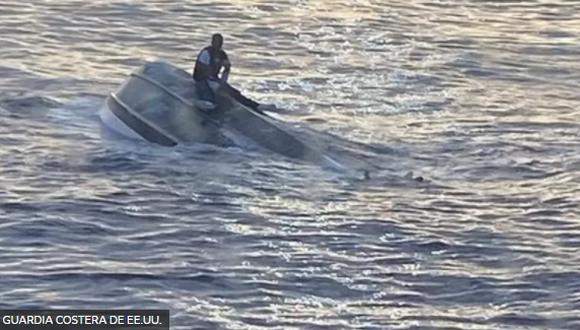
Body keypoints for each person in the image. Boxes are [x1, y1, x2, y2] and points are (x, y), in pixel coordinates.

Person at [192, 33, 276, 113]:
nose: (219, 44)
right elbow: (202, 68)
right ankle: (206, 102)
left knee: (233, 92)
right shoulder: (206, 53)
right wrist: (214, 82)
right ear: (212, 42)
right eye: (217, 42)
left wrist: (223, 81)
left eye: (220, 42)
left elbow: (227, 68)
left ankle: (255, 105)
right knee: (206, 89)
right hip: (201, 78)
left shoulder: (222, 54)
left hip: (214, 78)